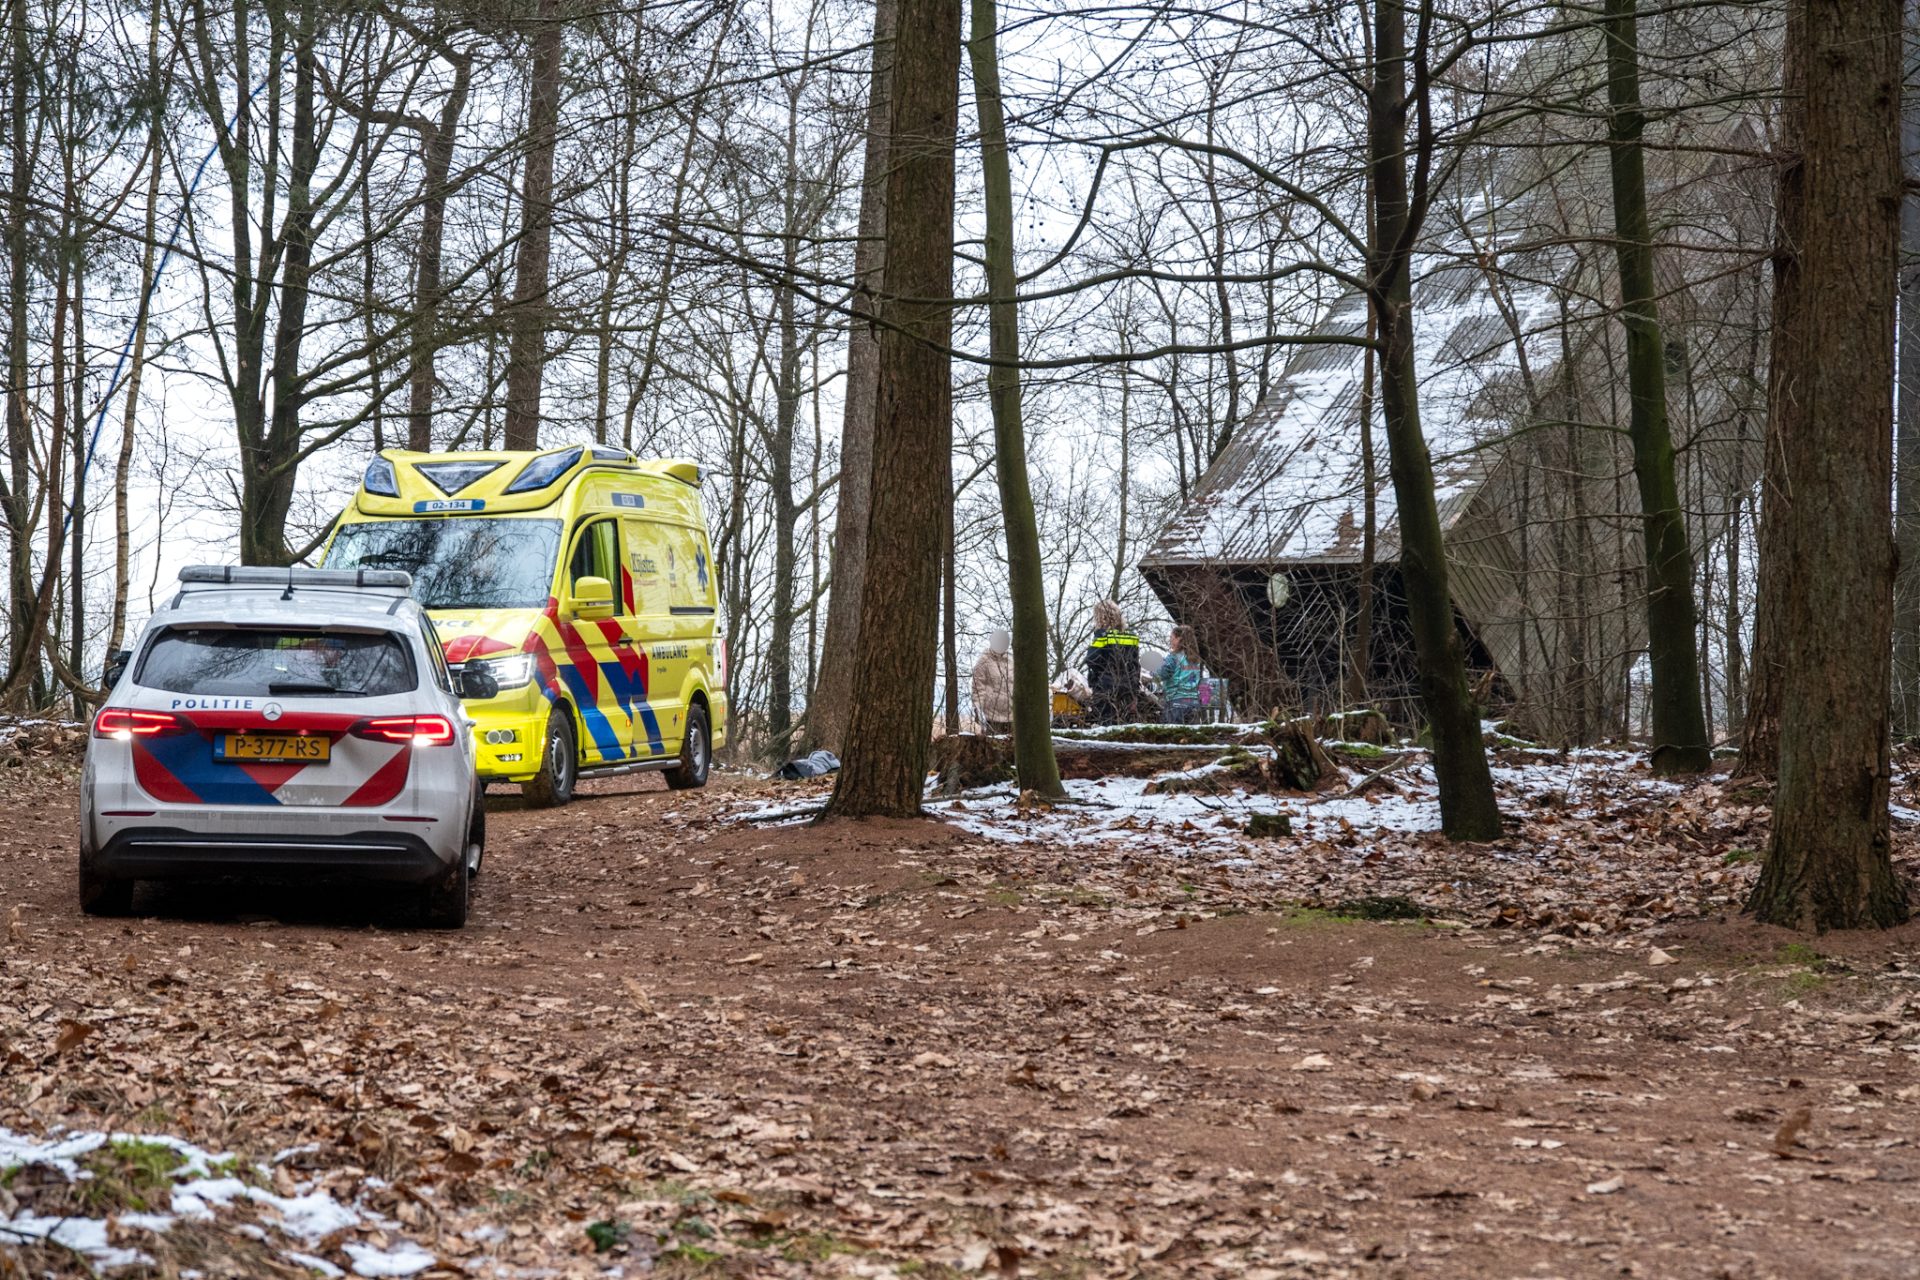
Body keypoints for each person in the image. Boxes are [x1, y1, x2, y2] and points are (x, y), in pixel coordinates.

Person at [1084, 599, 1142, 724]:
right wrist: (1134, 694)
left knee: (1106, 724)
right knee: (1125, 725)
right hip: (1128, 687)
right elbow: (1135, 667)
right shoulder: (1132, 637)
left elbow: (1091, 660)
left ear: (1100, 617)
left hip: (1105, 688)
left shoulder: (1103, 636)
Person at [971, 629, 1014, 734]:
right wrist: (978, 709)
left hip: (1012, 716)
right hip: (992, 717)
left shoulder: (1012, 660)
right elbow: (978, 688)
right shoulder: (984, 661)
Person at [1158, 625, 1202, 724]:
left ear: (1179, 639)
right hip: (1193, 702)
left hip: (1176, 701)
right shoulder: (1195, 659)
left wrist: (1155, 670)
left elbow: (1163, 674)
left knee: (1172, 735)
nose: (1170, 641)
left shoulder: (1174, 657)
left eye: (1172, 638)